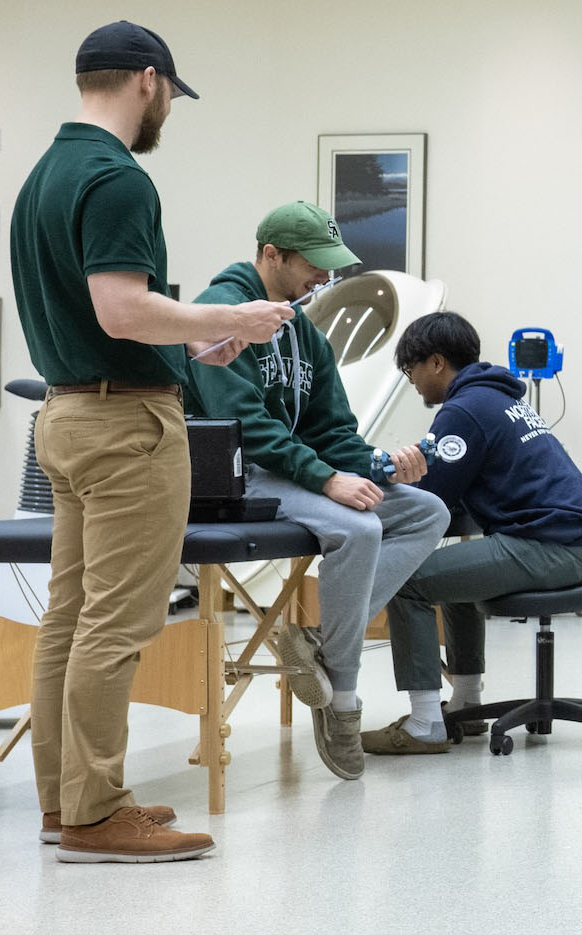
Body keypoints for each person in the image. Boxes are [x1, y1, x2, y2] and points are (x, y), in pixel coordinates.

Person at [9, 21, 287, 862]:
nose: (168, 107)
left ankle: (65, 801)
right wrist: (229, 316)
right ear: (146, 80)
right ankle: (98, 813)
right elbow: (120, 308)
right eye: (169, 92)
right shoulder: (117, 177)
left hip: (65, 415)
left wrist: (192, 343)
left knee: (68, 617)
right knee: (116, 623)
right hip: (125, 430)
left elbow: (103, 320)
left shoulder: (43, 176)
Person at [181, 201, 449, 779]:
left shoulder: (305, 334)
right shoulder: (219, 311)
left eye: (332, 266)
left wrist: (379, 466)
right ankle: (345, 698)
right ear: (270, 255)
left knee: (427, 512)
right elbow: (248, 428)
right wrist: (329, 479)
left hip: (295, 472)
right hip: (238, 475)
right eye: (315, 265)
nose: (324, 279)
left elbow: (332, 432)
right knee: (359, 526)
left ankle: (320, 641)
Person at [369, 312, 582, 755]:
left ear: (438, 362)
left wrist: (380, 483)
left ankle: (425, 724)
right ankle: (465, 703)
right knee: (456, 569)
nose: (413, 382)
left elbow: (432, 498)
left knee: (408, 579)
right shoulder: (501, 399)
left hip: (552, 546)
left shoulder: (463, 410)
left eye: (412, 370)